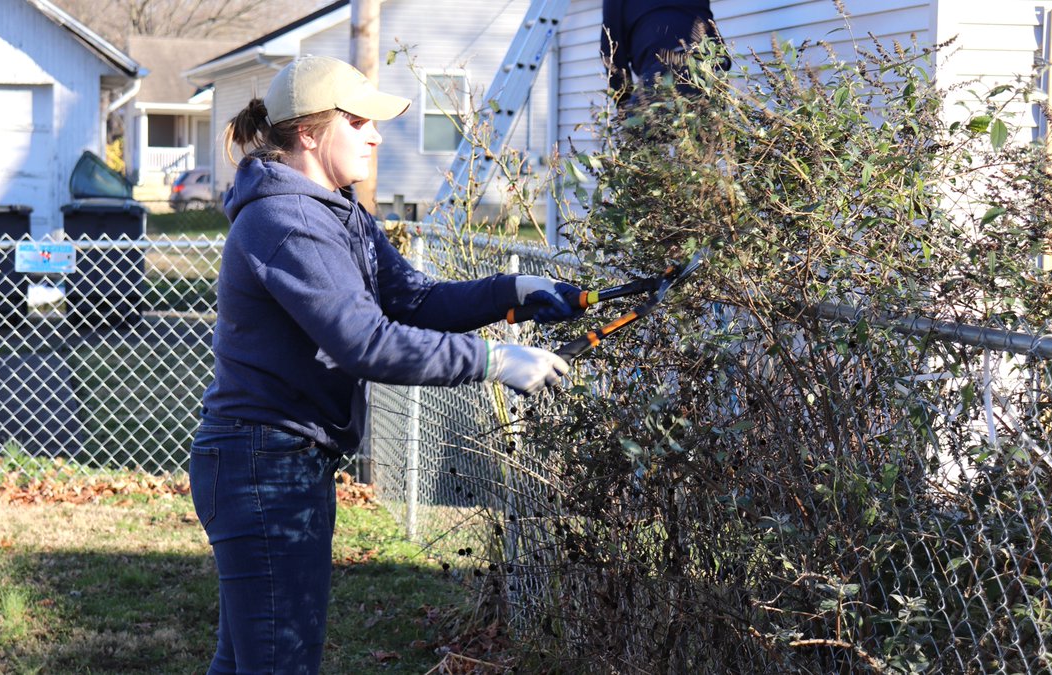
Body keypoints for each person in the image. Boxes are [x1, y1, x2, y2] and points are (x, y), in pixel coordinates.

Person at [188, 54, 584, 675]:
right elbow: (365, 341)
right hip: (260, 466)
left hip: (283, 461)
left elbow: (414, 298)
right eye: (359, 121)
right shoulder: (283, 222)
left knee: (247, 660)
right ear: (311, 132)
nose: (376, 133)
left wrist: (511, 291)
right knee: (277, 662)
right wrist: (491, 360)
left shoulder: (337, 210)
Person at [601, 0, 728, 104]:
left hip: (660, 79)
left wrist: (624, 108)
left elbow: (611, 54)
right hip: (708, 72)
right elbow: (719, 48)